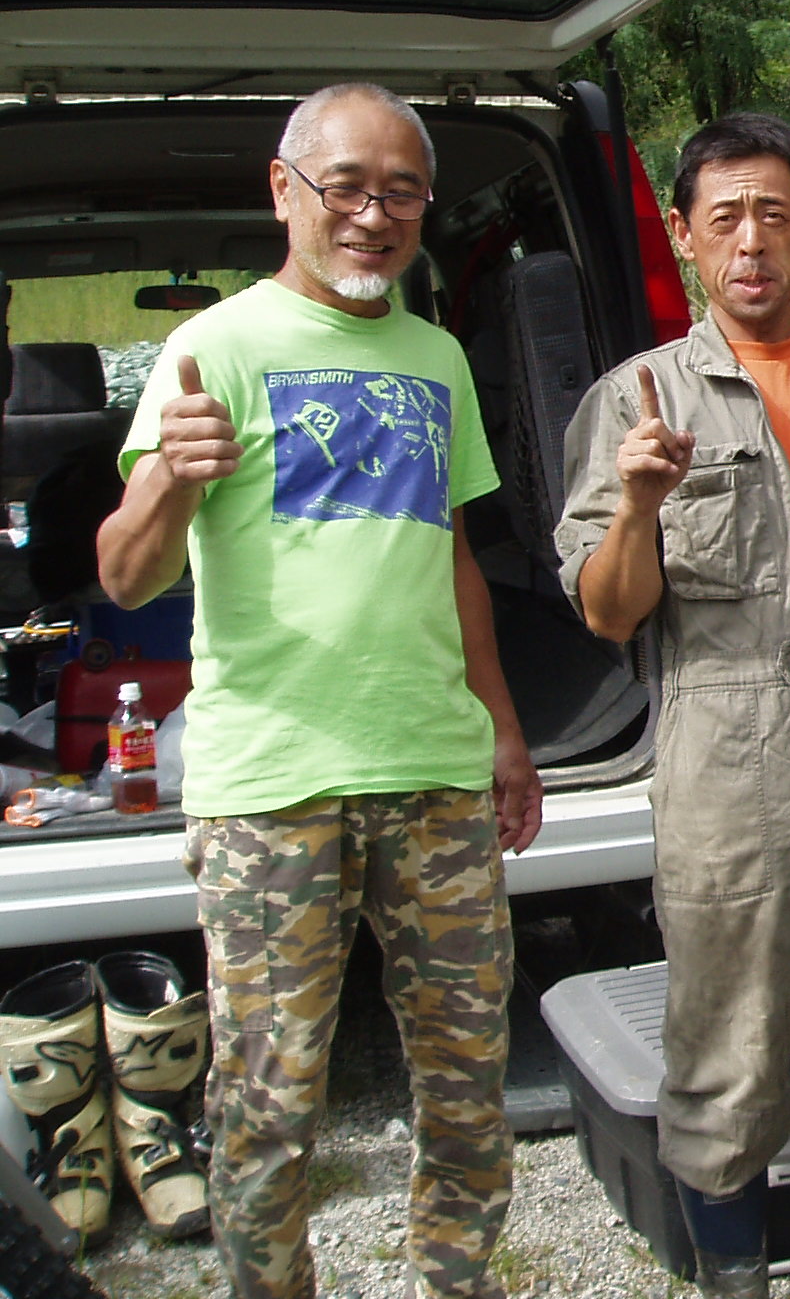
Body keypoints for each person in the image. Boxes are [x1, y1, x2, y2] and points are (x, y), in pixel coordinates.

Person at [95, 82, 541, 1299]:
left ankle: (458, 1277)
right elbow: (126, 576)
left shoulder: (435, 356)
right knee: (271, 1096)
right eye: (346, 187)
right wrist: (168, 480)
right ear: (283, 191)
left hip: (435, 771)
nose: (373, 215)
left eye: (402, 192)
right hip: (271, 784)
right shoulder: (216, 348)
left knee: (468, 1080)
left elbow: (454, 558)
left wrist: (503, 731)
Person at [556, 113, 790, 1299]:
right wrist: (636, 506)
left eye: (775, 215)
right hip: (725, 769)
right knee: (726, 1056)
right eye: (723, 217)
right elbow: (608, 613)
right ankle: (733, 1279)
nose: (750, 242)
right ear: (683, 236)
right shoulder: (637, 400)